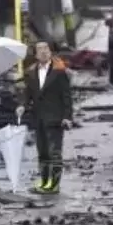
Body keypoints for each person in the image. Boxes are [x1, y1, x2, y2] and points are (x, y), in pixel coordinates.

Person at [16, 40, 73, 195]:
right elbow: (28, 94)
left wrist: (67, 116)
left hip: (55, 117)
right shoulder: (31, 72)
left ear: (50, 51)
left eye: (46, 48)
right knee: (42, 152)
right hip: (39, 118)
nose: (43, 51)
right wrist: (23, 105)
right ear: (35, 54)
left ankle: (54, 184)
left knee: (54, 152)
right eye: (39, 49)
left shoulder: (59, 71)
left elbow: (66, 95)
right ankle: (44, 180)